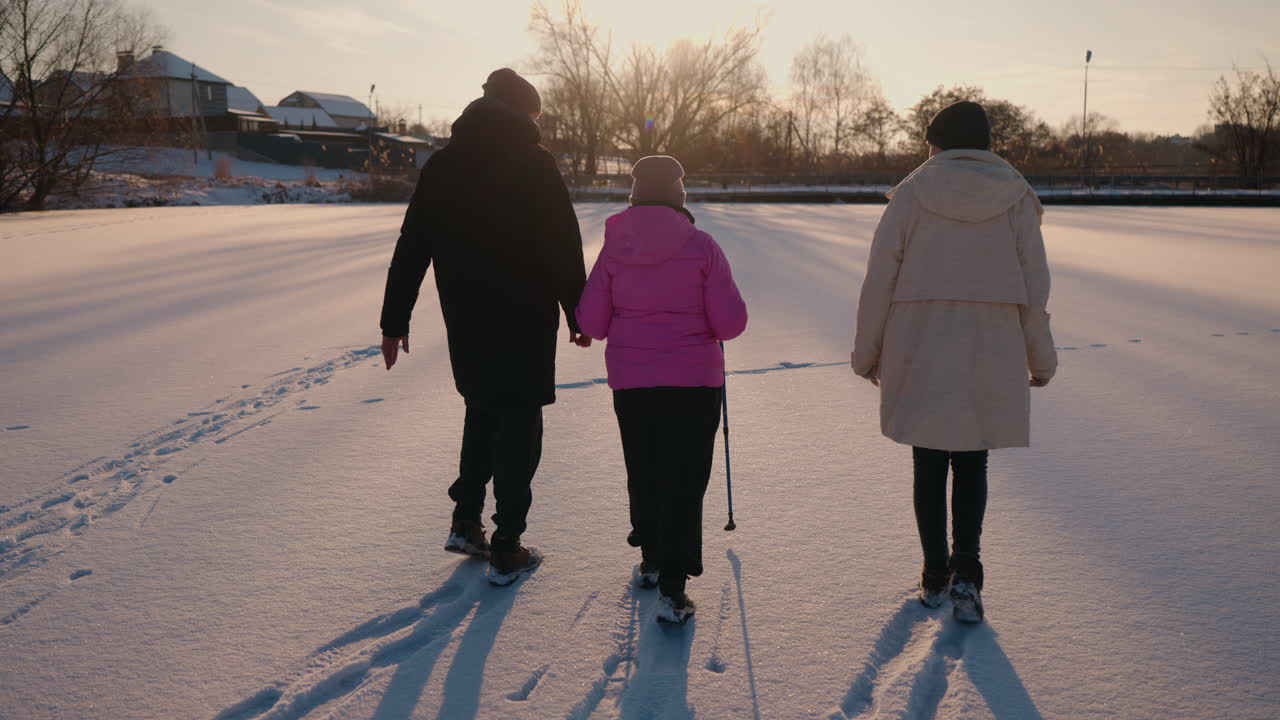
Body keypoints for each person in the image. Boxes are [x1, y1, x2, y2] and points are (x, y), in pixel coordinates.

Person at [380, 68, 591, 586]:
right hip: (523, 316)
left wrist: (394, 320)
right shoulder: (535, 164)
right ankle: (507, 546)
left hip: (467, 315)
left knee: (482, 408)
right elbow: (563, 244)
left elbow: (413, 244)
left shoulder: (443, 165)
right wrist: (579, 313)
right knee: (520, 420)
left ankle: (465, 521)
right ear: (524, 112)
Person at [851, 101, 1057, 623]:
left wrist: (867, 353)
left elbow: (880, 280)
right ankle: (967, 574)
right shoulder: (1015, 197)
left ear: (939, 142)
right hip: (992, 347)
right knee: (971, 462)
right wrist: (1041, 357)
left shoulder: (912, 194)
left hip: (919, 345)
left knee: (928, 461)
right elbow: (1035, 289)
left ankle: (935, 574)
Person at [575, 155, 748, 624]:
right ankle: (674, 585)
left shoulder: (613, 249)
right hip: (694, 383)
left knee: (644, 465)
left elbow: (590, 321)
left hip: (633, 382)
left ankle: (651, 556)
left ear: (633, 196)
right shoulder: (703, 247)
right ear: (679, 194)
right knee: (686, 479)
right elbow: (731, 325)